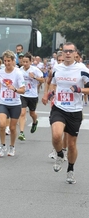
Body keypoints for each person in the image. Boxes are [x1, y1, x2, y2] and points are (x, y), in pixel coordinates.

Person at [47, 42, 89, 184]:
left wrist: (79, 90)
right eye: (66, 51)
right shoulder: (57, 68)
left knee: (71, 144)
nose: (68, 54)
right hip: (59, 108)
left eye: (71, 51)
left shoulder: (82, 69)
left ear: (76, 53)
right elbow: (52, 82)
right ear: (62, 53)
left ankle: (70, 169)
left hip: (75, 111)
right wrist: (51, 92)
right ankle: (59, 154)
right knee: (57, 134)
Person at [0, 50, 25, 157]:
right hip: (3, 102)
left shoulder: (18, 73)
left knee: (12, 128)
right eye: (5, 61)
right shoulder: (0, 73)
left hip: (15, 103)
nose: (6, 63)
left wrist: (15, 89)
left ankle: (12, 146)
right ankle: (2, 146)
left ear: (13, 61)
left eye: (8, 61)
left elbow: (23, 90)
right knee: (2, 124)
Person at [17, 52, 44, 141]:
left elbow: (43, 80)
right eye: (23, 62)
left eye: (26, 62)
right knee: (22, 113)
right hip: (23, 94)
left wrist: (34, 77)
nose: (24, 64)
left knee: (32, 113)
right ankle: (21, 132)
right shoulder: (20, 70)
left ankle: (35, 122)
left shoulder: (35, 70)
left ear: (30, 62)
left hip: (33, 95)